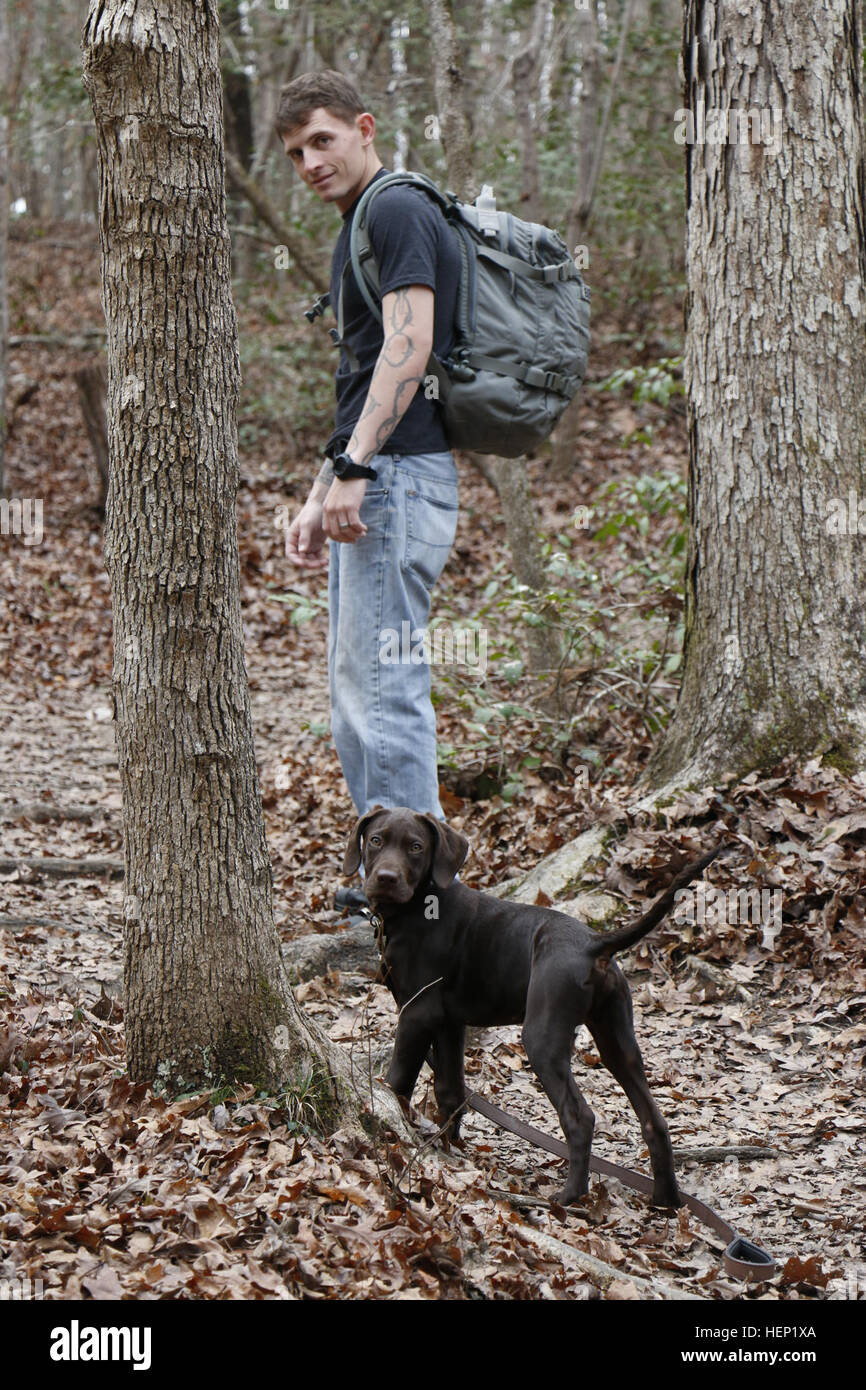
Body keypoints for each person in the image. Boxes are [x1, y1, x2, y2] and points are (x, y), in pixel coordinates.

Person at [278, 71, 461, 822]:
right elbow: (361, 370)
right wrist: (322, 491)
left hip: (397, 475)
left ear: (365, 127)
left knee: (383, 692)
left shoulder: (396, 210)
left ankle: (414, 903)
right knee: (360, 689)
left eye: (322, 140)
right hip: (374, 476)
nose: (311, 162)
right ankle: (395, 894)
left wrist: (356, 469)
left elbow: (409, 346)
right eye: (295, 153)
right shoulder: (358, 224)